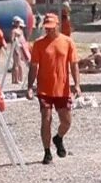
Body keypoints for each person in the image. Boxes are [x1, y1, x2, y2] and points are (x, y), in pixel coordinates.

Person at [27, 12, 80, 165]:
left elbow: (73, 64)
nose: (48, 30)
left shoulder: (68, 42)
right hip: (44, 89)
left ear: (57, 26)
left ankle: (58, 138)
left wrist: (77, 84)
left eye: (51, 28)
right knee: (46, 119)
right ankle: (47, 152)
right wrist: (30, 87)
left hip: (62, 89)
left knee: (67, 121)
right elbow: (33, 67)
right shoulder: (38, 44)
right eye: (46, 28)